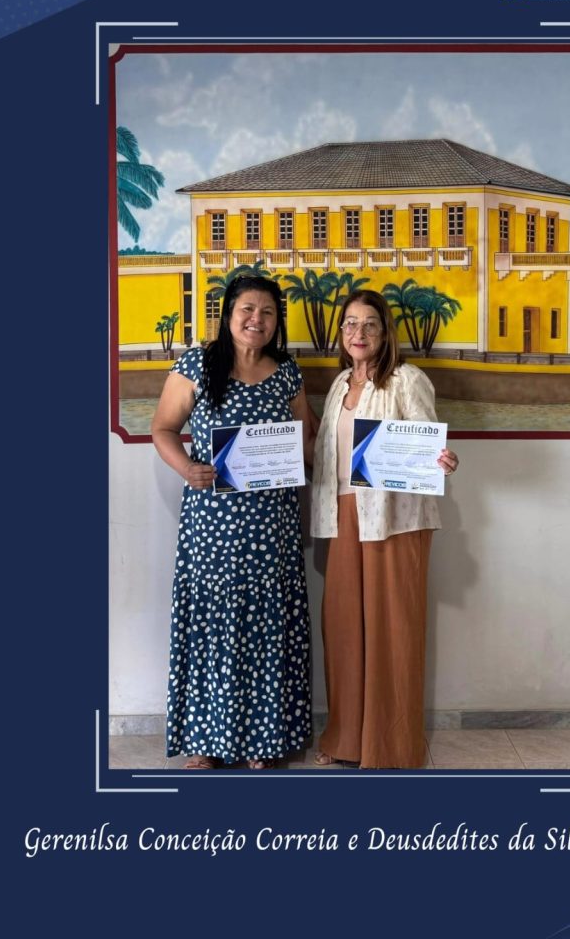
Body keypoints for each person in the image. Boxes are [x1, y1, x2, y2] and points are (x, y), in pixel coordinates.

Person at [151, 275, 317, 769]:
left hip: (273, 528)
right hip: (212, 528)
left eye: (267, 312)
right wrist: (187, 468)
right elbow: (163, 429)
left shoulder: (287, 373)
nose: (256, 320)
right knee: (212, 627)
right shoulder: (198, 365)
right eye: (247, 309)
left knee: (267, 629)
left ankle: (263, 742)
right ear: (228, 314)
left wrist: (384, 454)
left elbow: (308, 444)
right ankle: (207, 742)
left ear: (277, 321)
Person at [310, 289, 459, 769]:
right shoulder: (339, 386)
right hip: (342, 515)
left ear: (385, 331)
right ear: (341, 332)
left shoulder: (406, 380)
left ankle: (389, 746)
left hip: (395, 520)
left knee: (392, 631)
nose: (359, 333)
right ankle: (345, 740)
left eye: (369, 323)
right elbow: (324, 453)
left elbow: (426, 446)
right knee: (344, 630)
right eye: (350, 323)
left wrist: (443, 460)